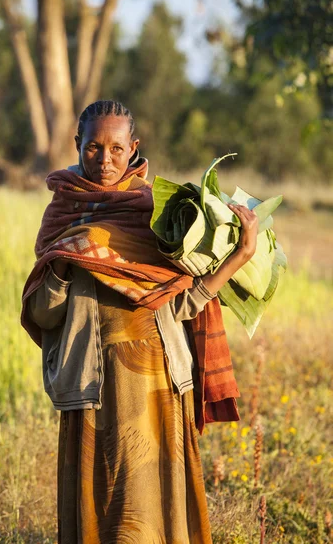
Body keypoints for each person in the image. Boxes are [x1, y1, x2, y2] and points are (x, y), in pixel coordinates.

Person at [21, 100, 258, 544]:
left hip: (158, 384)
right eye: (93, 148)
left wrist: (239, 257)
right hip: (91, 385)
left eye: (115, 148)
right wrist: (64, 259)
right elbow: (43, 316)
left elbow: (182, 302)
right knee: (102, 509)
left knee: (156, 512)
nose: (104, 159)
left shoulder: (157, 214)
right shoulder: (62, 216)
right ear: (77, 146)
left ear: (134, 148)